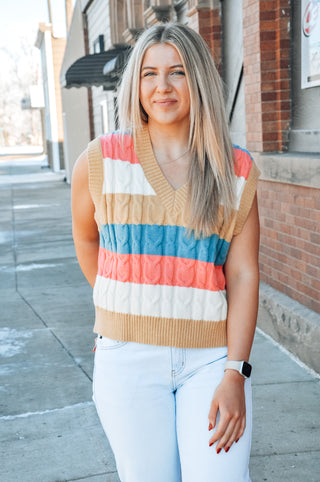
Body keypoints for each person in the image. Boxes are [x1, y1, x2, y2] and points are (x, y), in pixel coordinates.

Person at [71, 22, 260, 482]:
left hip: (211, 360)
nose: (162, 87)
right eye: (149, 74)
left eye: (177, 72)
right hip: (126, 359)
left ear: (197, 80)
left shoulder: (234, 169)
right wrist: (127, 299)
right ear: (135, 84)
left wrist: (236, 373)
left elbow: (243, 276)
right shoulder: (100, 160)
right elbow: (86, 240)